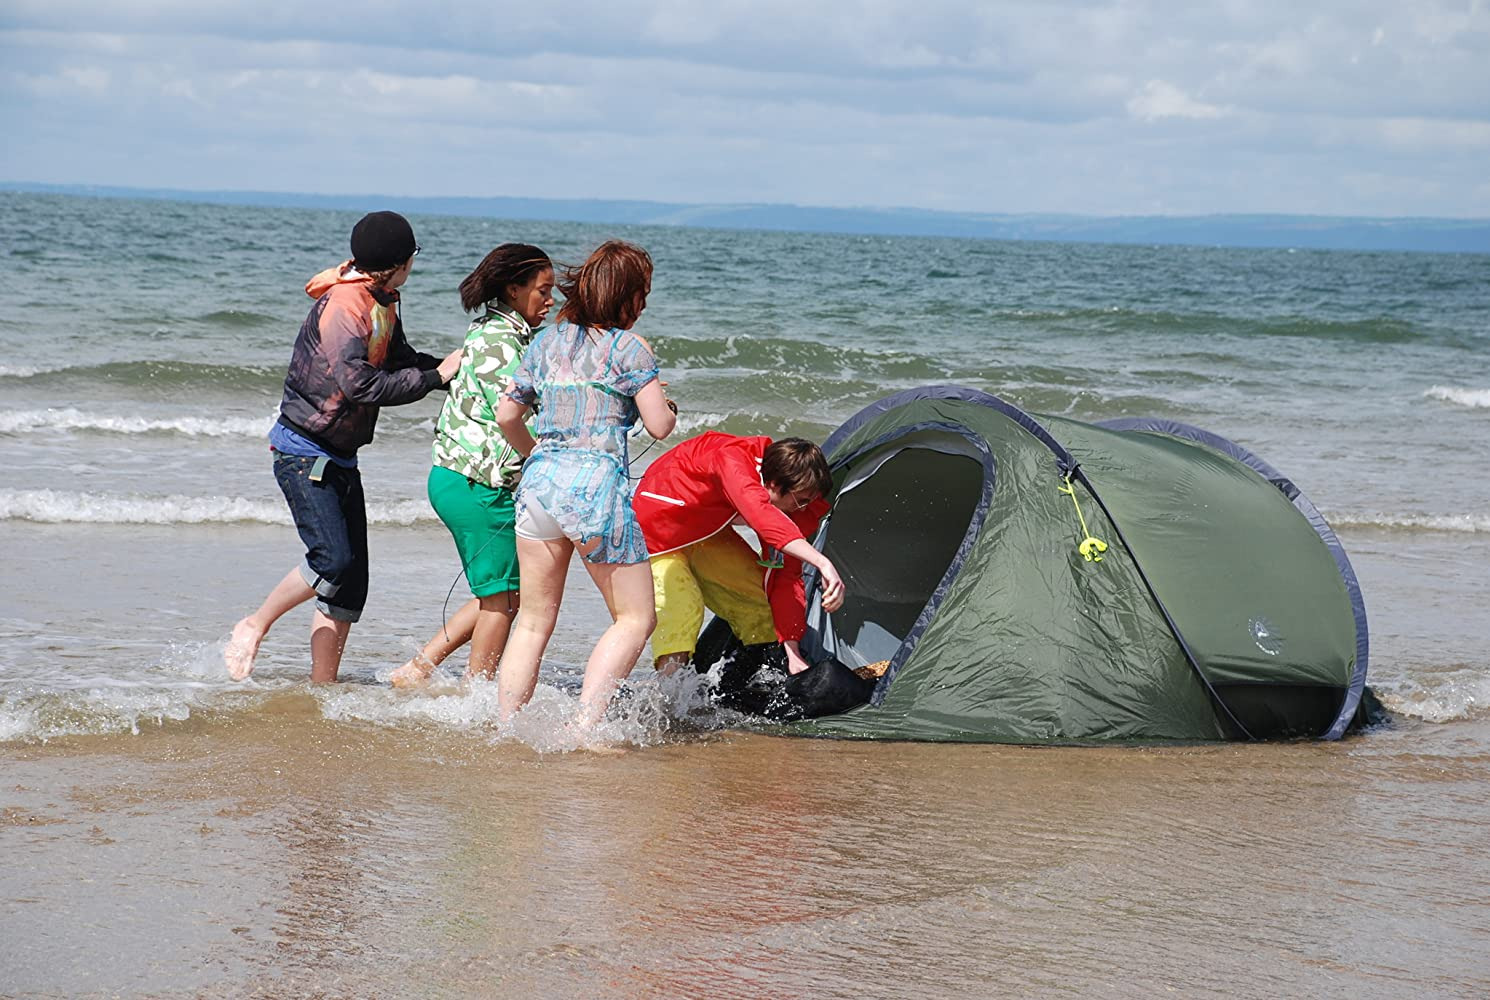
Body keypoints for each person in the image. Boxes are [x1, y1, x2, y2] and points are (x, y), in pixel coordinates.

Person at [225, 211, 462, 682]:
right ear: (399, 263)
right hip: (303, 449)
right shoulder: (345, 306)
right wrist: (436, 377)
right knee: (332, 561)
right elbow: (361, 386)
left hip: (339, 453)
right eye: (412, 257)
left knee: (351, 582)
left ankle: (322, 686)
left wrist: (454, 373)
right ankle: (255, 624)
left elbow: (399, 359)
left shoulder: (383, 297)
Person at [494, 240, 676, 727]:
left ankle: (506, 724)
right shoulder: (629, 348)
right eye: (643, 294)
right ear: (628, 296)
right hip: (595, 493)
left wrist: (538, 456)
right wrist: (666, 408)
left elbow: (507, 413)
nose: (644, 304)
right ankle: (586, 726)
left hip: (538, 488)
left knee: (532, 620)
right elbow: (658, 427)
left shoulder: (546, 342)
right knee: (636, 619)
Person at [389, 244, 555, 689]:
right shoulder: (503, 343)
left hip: (455, 478)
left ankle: (418, 669)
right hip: (477, 486)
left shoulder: (491, 330)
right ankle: (476, 693)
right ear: (513, 289)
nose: (551, 300)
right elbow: (515, 415)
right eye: (543, 290)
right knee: (501, 599)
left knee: (500, 592)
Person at [633, 433, 845, 678]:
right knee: (684, 609)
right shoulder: (732, 459)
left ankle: (745, 683)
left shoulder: (786, 495)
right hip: (655, 533)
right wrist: (822, 563)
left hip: (704, 531)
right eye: (801, 500)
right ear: (774, 485)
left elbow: (786, 575)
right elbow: (760, 513)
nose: (804, 508)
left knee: (756, 600)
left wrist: (792, 649)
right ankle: (669, 698)